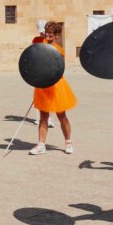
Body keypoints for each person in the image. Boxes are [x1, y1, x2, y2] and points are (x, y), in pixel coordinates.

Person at [28, 22, 76, 155]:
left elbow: (58, 70)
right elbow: (33, 54)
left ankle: (68, 142)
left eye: (51, 34)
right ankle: (41, 144)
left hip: (56, 85)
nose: (48, 35)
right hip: (42, 85)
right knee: (43, 116)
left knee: (62, 116)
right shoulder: (40, 44)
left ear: (57, 35)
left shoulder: (58, 50)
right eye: (47, 32)